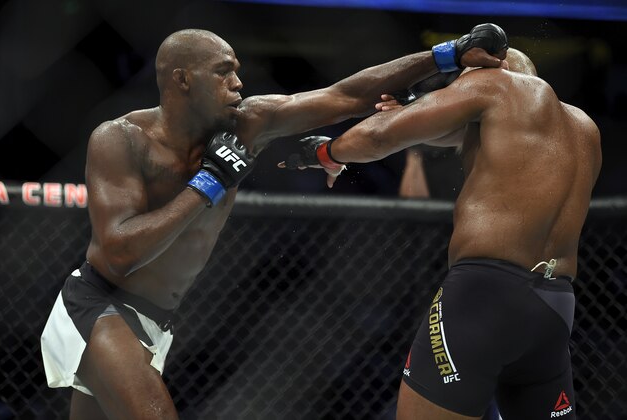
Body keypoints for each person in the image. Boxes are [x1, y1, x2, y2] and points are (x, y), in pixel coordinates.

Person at [39, 26, 507, 419]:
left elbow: (346, 96)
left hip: (158, 319)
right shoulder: (121, 141)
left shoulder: (249, 124)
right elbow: (119, 252)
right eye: (224, 72)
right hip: (102, 305)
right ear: (182, 80)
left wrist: (445, 54)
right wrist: (207, 185)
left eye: (238, 72)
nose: (238, 84)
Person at [283, 48, 601, 419]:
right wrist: (413, 111)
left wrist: (327, 153)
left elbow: (377, 139)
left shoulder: (495, 84)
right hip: (555, 306)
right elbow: (462, 134)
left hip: (484, 295)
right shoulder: (582, 127)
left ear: (487, 72)